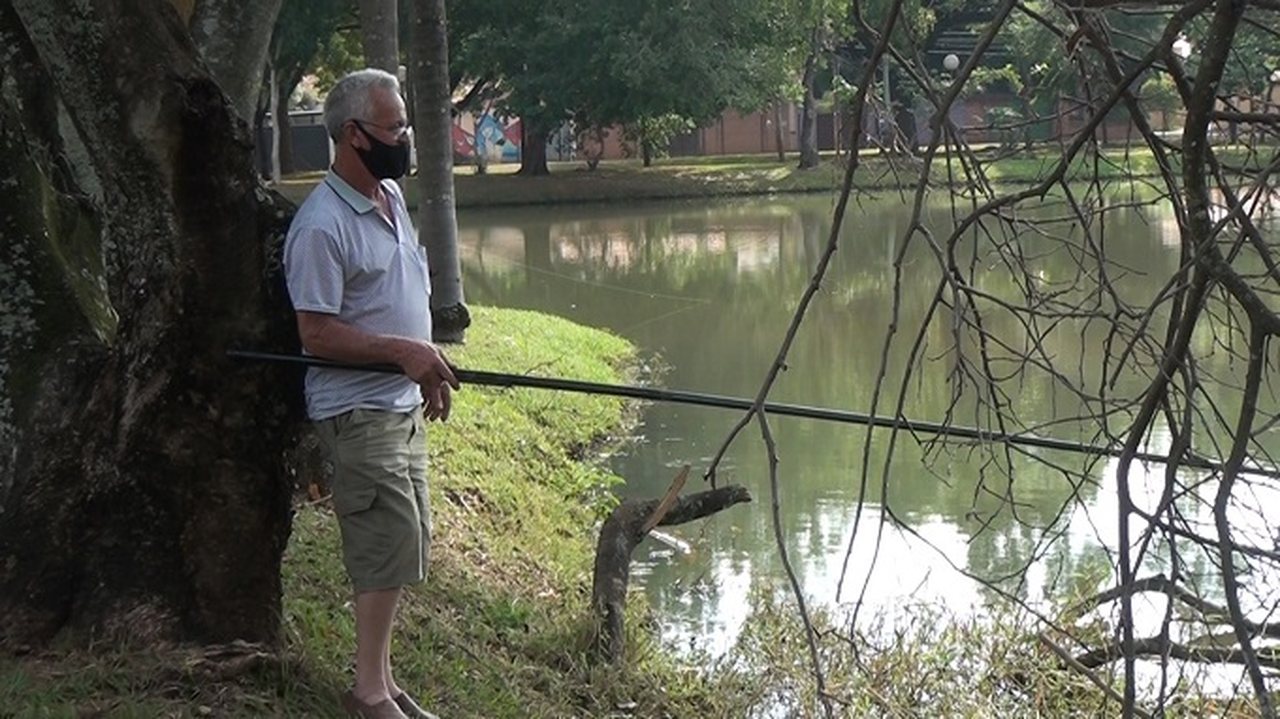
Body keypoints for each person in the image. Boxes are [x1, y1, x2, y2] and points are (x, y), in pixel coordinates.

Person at [284, 68, 457, 719]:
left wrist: (425, 365)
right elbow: (316, 332)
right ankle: (366, 693)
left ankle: (381, 680)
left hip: (400, 404)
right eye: (394, 128)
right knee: (383, 543)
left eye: (405, 125)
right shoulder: (320, 226)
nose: (405, 138)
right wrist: (402, 352)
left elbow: (397, 299)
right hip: (356, 409)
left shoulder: (391, 196)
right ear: (354, 135)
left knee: (404, 540)